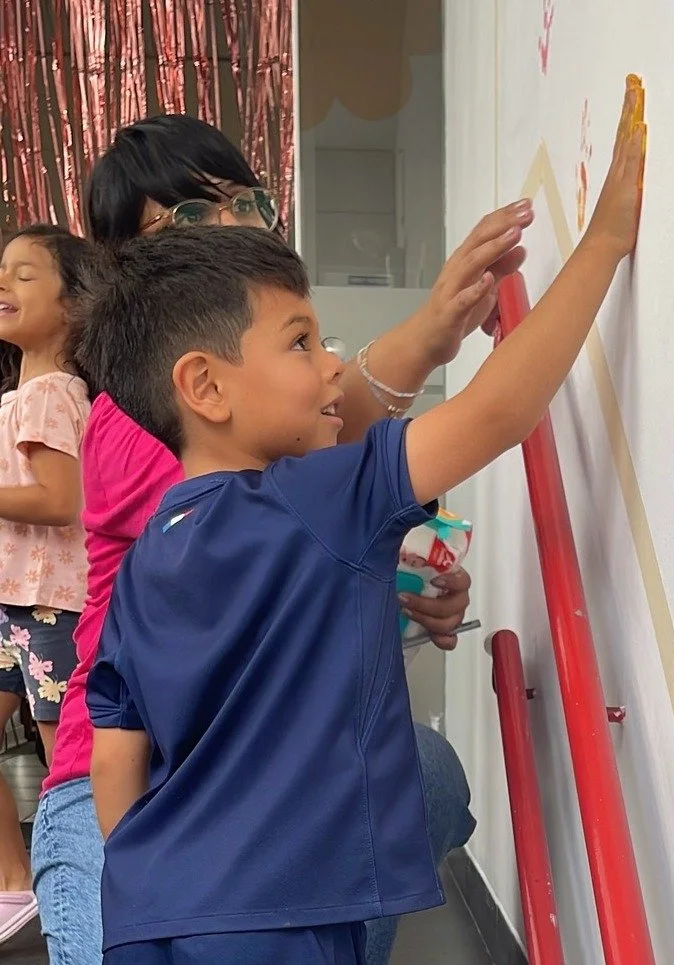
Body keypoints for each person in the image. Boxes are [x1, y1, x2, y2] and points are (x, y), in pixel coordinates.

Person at [78, 76, 645, 965]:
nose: (331, 361)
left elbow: (120, 754)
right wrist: (604, 243)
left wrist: (147, 886)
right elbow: (497, 412)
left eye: (245, 204)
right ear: (203, 384)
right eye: (302, 342)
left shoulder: (154, 556)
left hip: (158, 907)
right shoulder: (319, 494)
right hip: (281, 916)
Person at [0, 226, 93, 944]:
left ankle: (82, 896)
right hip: (12, 598)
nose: (4, 284)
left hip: (48, 603)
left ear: (72, 304)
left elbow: (61, 500)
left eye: (24, 275)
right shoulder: (21, 393)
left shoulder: (53, 392)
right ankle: (15, 883)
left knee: (69, 764)